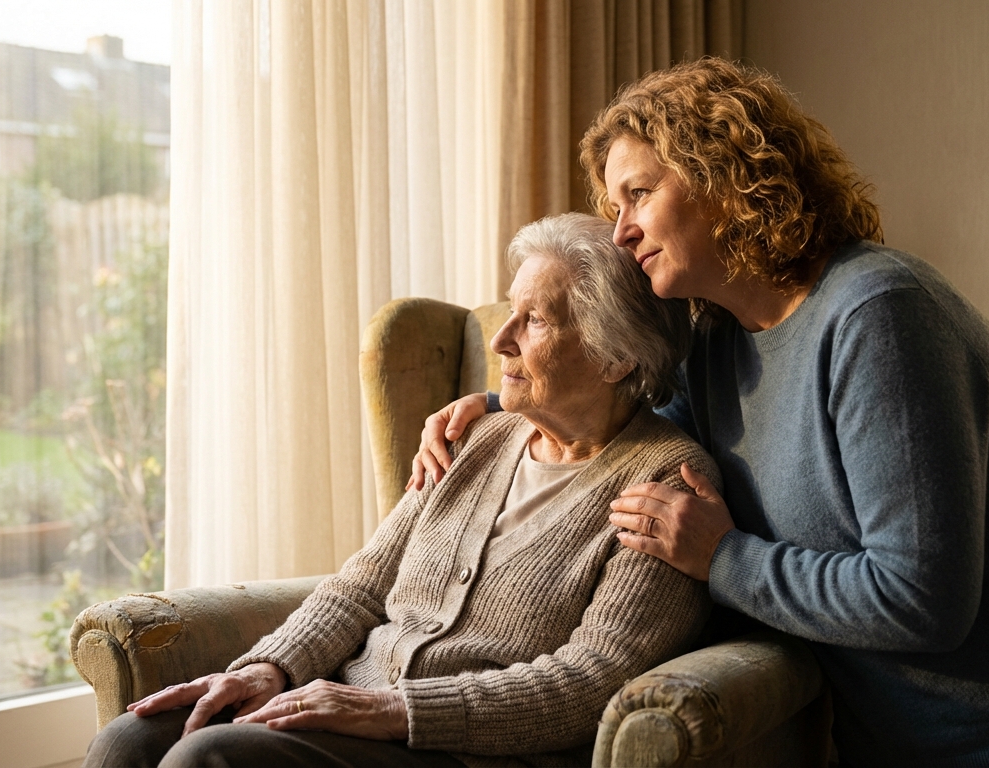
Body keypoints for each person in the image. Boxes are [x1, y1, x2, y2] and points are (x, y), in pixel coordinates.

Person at [410, 59, 989, 767]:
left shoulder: (878, 316)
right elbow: (626, 417)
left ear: (725, 174)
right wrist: (495, 404)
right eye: (615, 206)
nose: (622, 231)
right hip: (900, 743)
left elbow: (922, 601)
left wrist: (724, 558)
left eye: (640, 194)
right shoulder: (717, 338)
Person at [82, 212, 718, 768]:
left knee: (209, 757)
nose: (501, 339)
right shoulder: (474, 437)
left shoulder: (663, 481)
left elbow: (590, 681)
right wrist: (270, 667)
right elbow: (362, 587)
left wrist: (389, 708)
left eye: (535, 322)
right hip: (351, 711)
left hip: (463, 750)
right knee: (130, 740)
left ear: (616, 358)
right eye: (508, 310)